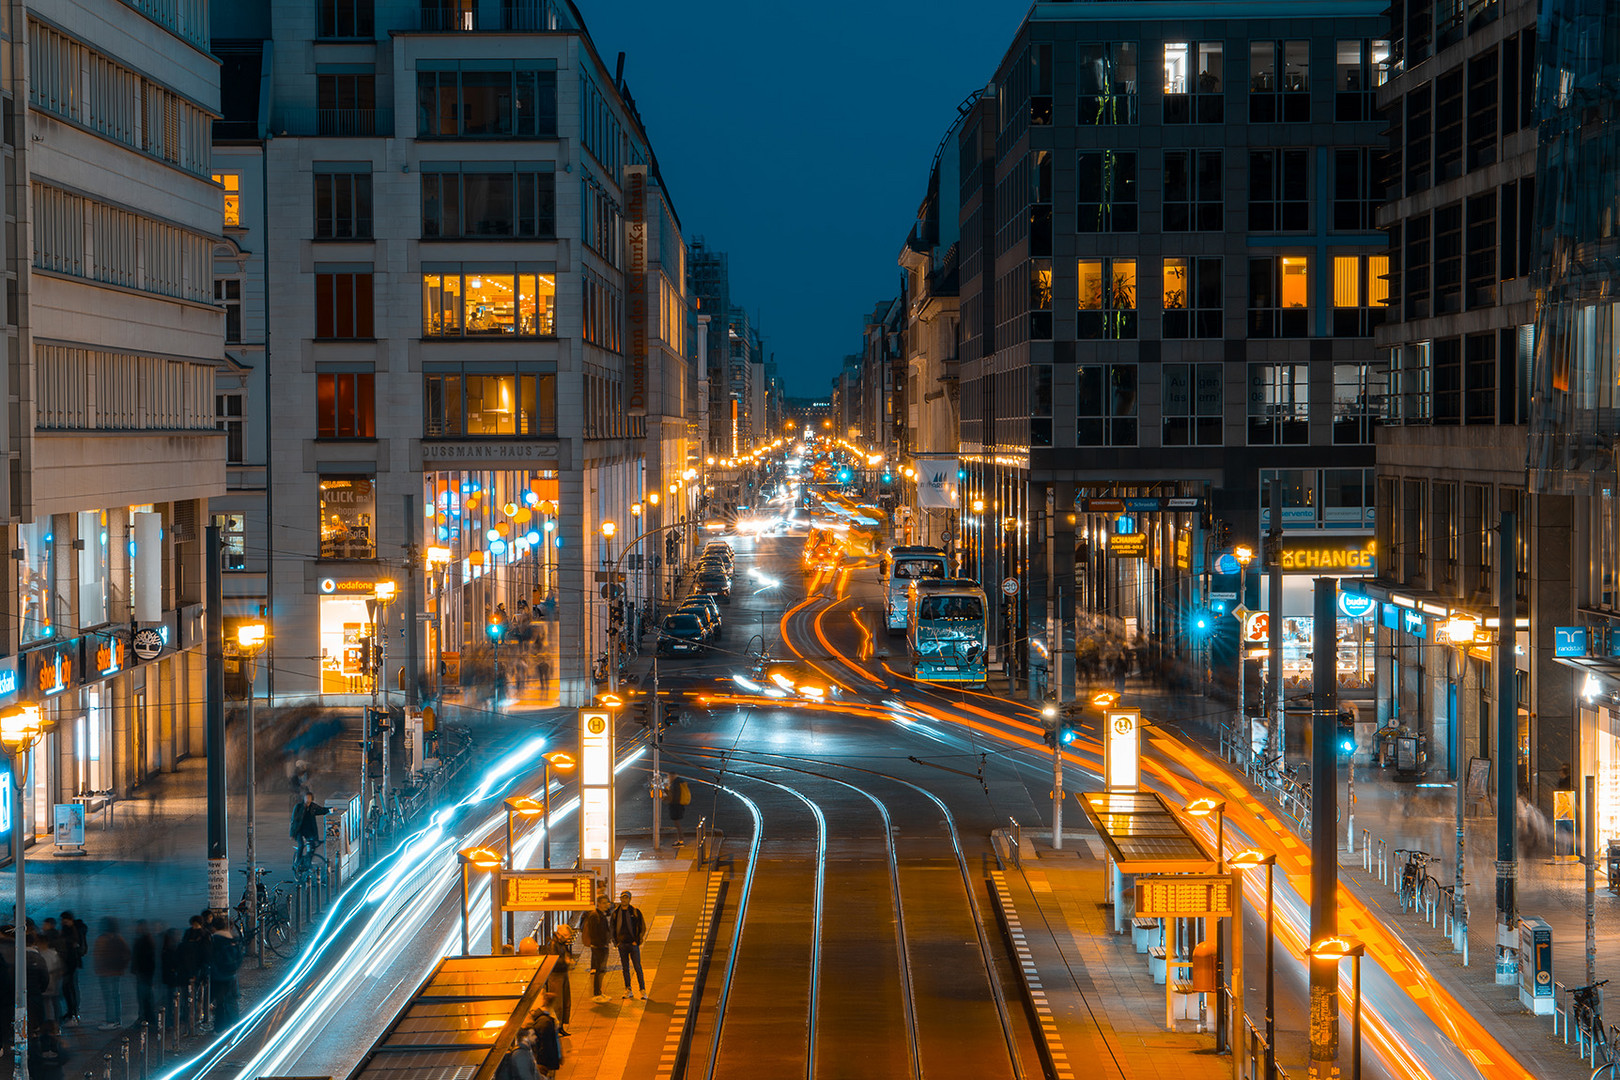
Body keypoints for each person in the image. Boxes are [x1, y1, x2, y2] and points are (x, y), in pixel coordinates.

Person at [93, 917, 130, 1030]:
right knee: (115, 996)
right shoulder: (119, 938)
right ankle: (117, 1020)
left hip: (105, 972)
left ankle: (111, 1020)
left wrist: (98, 968)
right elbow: (127, 953)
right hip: (116, 972)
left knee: (108, 997)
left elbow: (98, 956)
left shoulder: (101, 939)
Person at [610, 890, 647, 1001]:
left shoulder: (635, 911)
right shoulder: (616, 913)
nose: (624, 900)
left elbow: (642, 927)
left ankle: (642, 990)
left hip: (633, 944)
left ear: (629, 899)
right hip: (622, 945)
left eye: (626, 898)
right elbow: (612, 927)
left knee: (637, 967)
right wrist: (616, 942)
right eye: (622, 898)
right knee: (625, 968)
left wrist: (637, 941)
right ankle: (628, 989)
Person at [207, 916, 242, 1029]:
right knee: (232, 999)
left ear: (214, 927)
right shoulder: (232, 939)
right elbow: (239, 957)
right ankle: (236, 1024)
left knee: (221, 1001)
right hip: (232, 974)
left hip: (219, 976)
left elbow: (211, 959)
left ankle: (220, 1027)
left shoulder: (215, 940)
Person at [580, 893, 613, 1003]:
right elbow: (595, 932)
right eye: (603, 903)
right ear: (598, 904)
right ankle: (596, 993)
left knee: (601, 970)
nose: (606, 905)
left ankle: (599, 992)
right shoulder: (595, 916)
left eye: (606, 903)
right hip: (599, 947)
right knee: (599, 970)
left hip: (601, 946)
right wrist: (601, 943)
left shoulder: (601, 914)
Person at [541, 924, 572, 1035]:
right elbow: (553, 961)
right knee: (558, 1002)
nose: (567, 939)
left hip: (562, 973)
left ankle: (562, 1024)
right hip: (556, 975)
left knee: (565, 1000)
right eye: (566, 936)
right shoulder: (553, 944)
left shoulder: (561, 944)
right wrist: (565, 961)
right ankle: (558, 1025)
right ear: (560, 935)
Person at [58, 911, 86, 1025]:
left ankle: (73, 1013)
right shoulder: (74, 930)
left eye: (64, 920)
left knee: (69, 989)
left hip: (70, 964)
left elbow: (69, 946)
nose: (62, 922)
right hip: (71, 963)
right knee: (71, 988)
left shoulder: (72, 931)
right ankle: (72, 1012)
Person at [291, 790, 330, 867]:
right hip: (299, 830)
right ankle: (298, 862)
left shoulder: (313, 807)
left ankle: (307, 861)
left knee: (313, 846)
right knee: (301, 845)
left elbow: (321, 810)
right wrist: (292, 833)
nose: (307, 799)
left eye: (309, 798)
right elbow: (294, 820)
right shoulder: (299, 807)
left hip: (309, 830)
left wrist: (330, 809)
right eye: (306, 798)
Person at [529, 995, 564, 1078]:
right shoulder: (545, 1022)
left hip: (547, 1059)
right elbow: (545, 1044)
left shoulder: (545, 1018)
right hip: (546, 1062)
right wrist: (542, 1063)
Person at [132, 921, 157, 1028]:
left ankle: (146, 1018)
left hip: (144, 973)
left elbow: (146, 958)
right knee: (145, 996)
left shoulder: (145, 941)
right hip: (144, 972)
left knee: (144, 996)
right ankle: (147, 1017)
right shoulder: (145, 940)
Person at [667, 774, 690, 845]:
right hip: (679, 805)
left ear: (671, 777)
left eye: (668, 777)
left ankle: (680, 840)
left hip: (676, 806)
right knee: (677, 823)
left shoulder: (675, 784)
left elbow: (674, 796)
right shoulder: (679, 782)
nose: (668, 778)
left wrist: (667, 793)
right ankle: (680, 839)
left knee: (677, 823)